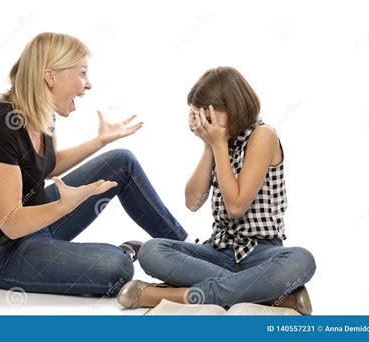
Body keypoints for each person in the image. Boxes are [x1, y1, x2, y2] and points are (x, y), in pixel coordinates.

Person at [0, 32, 187, 296]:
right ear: (50, 76)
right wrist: (63, 205)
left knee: (121, 161)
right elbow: (11, 223)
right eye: (82, 73)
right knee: (117, 267)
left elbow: (50, 165)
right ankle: (125, 254)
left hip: (38, 221)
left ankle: (187, 252)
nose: (88, 84)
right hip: (2, 251)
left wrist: (100, 141)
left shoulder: (41, 114)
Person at [118, 67, 316, 314]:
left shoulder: (262, 135)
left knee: (302, 260)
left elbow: (236, 207)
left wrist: (218, 144)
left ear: (232, 107)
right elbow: (192, 202)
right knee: (151, 251)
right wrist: (209, 147)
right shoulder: (218, 142)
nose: (202, 122)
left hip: (261, 254)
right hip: (218, 251)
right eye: (197, 114)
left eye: (207, 114)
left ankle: (173, 295)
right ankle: (265, 295)